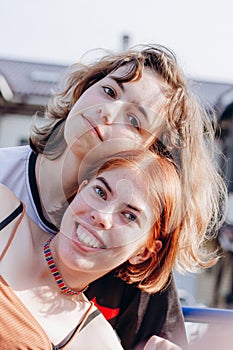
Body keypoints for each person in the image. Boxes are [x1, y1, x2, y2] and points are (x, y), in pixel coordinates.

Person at [0, 44, 227, 348]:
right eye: (109, 91)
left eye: (134, 121)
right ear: (85, 88)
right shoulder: (5, 189)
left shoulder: (130, 268)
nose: (108, 111)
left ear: (147, 156)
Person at [0, 149, 188, 349]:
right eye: (100, 192)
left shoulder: (96, 341)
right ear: (81, 191)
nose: (101, 215)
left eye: (129, 216)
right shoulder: (4, 213)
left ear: (142, 253)